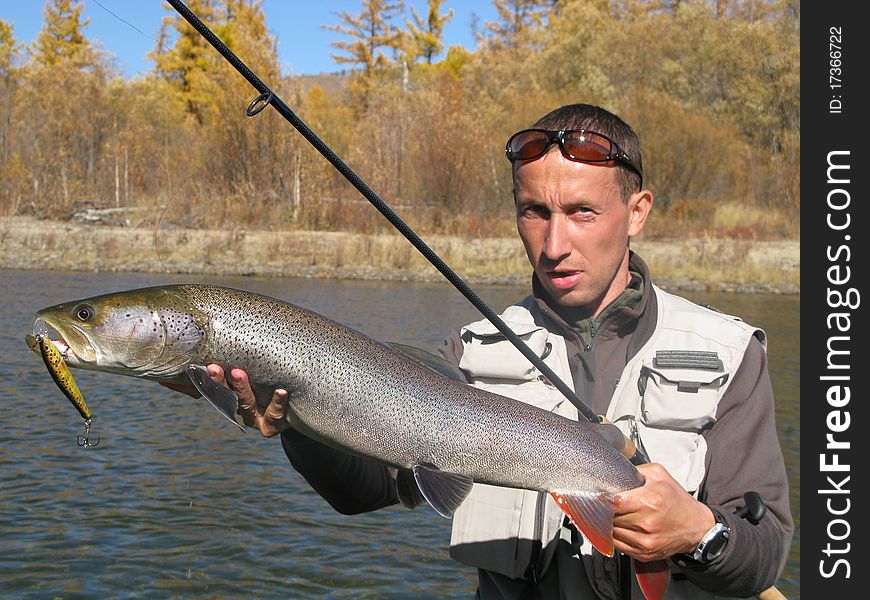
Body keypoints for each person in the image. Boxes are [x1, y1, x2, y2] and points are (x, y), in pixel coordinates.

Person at [175, 104, 793, 599]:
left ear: (636, 212)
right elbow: (364, 491)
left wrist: (701, 535)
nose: (554, 244)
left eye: (582, 212)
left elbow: (762, 556)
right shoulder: (466, 355)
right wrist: (297, 421)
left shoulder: (729, 352)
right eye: (534, 212)